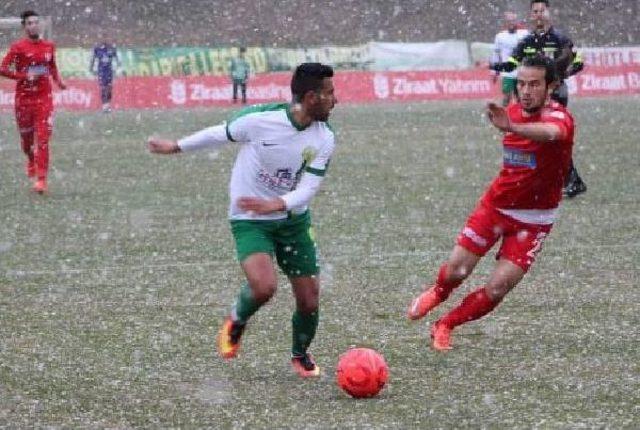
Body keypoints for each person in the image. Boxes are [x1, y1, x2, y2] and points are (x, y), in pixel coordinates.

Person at [148, 63, 337, 377]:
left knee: (309, 300)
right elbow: (218, 134)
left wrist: (277, 203)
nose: (336, 100)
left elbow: (309, 187)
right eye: (330, 93)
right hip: (250, 217)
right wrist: (177, 146)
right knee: (263, 287)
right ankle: (236, 320)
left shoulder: (325, 137)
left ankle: (300, 353)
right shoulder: (261, 120)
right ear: (310, 97)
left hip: (293, 221)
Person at [408, 55, 575, 351]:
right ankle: (438, 291)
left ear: (552, 87)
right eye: (521, 84)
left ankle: (445, 325)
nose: (526, 91)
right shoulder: (510, 113)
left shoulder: (559, 118)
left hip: (535, 221)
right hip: (495, 208)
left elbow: (551, 133)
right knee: (457, 270)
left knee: (498, 288)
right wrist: (511, 123)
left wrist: (513, 127)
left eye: (534, 84)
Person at [491, 0, 586, 198]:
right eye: (535, 11)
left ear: (548, 13)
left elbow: (578, 62)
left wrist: (565, 73)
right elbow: (511, 64)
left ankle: (565, 181)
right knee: (541, 140)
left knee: (552, 137)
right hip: (532, 95)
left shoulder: (560, 39)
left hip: (555, 92)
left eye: (542, 10)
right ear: (531, 16)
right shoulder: (526, 41)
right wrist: (494, 66)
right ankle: (569, 181)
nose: (539, 14)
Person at [0, 10, 66, 194]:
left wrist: (59, 81)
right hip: (24, 100)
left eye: (36, 22)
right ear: (24, 27)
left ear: (41, 24)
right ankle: (30, 159)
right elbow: (2, 69)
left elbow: (51, 66)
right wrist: (23, 76)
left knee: (43, 139)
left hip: (44, 99)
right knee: (27, 142)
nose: (34, 25)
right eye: (29, 23)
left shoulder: (49, 46)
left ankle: (42, 180)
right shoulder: (18, 48)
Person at [490, 11, 529, 107]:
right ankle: (504, 116)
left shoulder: (524, 34)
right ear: (505, 23)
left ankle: (521, 118)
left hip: (521, 72)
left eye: (513, 21)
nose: (511, 23)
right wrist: (494, 72)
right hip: (507, 72)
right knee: (507, 97)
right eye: (509, 21)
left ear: (516, 22)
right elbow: (496, 54)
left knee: (521, 97)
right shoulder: (500, 37)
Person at [90, 40, 120, 113]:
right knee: (103, 88)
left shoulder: (111, 50)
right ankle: (104, 106)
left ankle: (108, 105)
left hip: (109, 72)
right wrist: (91, 68)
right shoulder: (97, 49)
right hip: (102, 72)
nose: (105, 41)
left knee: (109, 89)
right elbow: (93, 58)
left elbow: (117, 60)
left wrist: (117, 68)